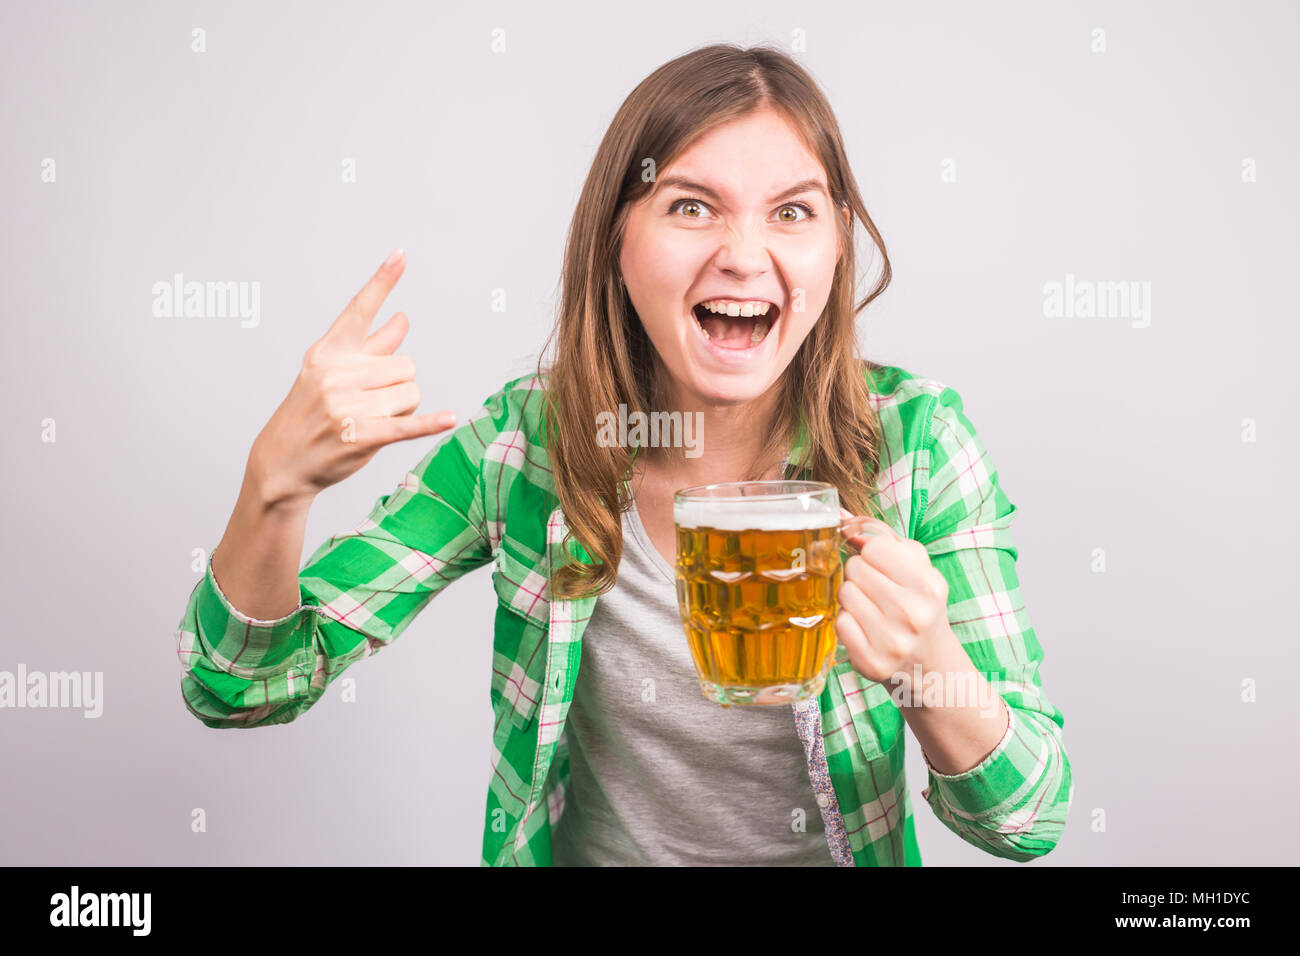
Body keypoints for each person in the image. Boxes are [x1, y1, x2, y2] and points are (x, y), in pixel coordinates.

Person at [175, 42, 1072, 866]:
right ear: (617, 238)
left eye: (792, 212)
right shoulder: (528, 443)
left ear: (837, 244)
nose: (743, 256)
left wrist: (931, 667)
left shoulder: (915, 444)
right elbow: (241, 688)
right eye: (691, 206)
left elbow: (1029, 819)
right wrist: (272, 491)